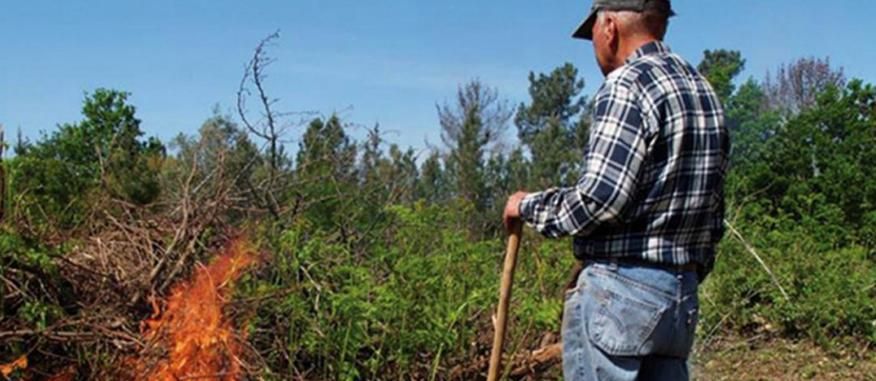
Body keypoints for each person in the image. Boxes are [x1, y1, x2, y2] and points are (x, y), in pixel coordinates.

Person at [502, 0, 730, 379]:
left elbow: (600, 199)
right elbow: (714, 212)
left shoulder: (628, 84)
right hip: (680, 295)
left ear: (609, 27)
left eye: (591, 32)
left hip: (621, 294)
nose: (593, 43)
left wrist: (528, 206)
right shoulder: (702, 90)